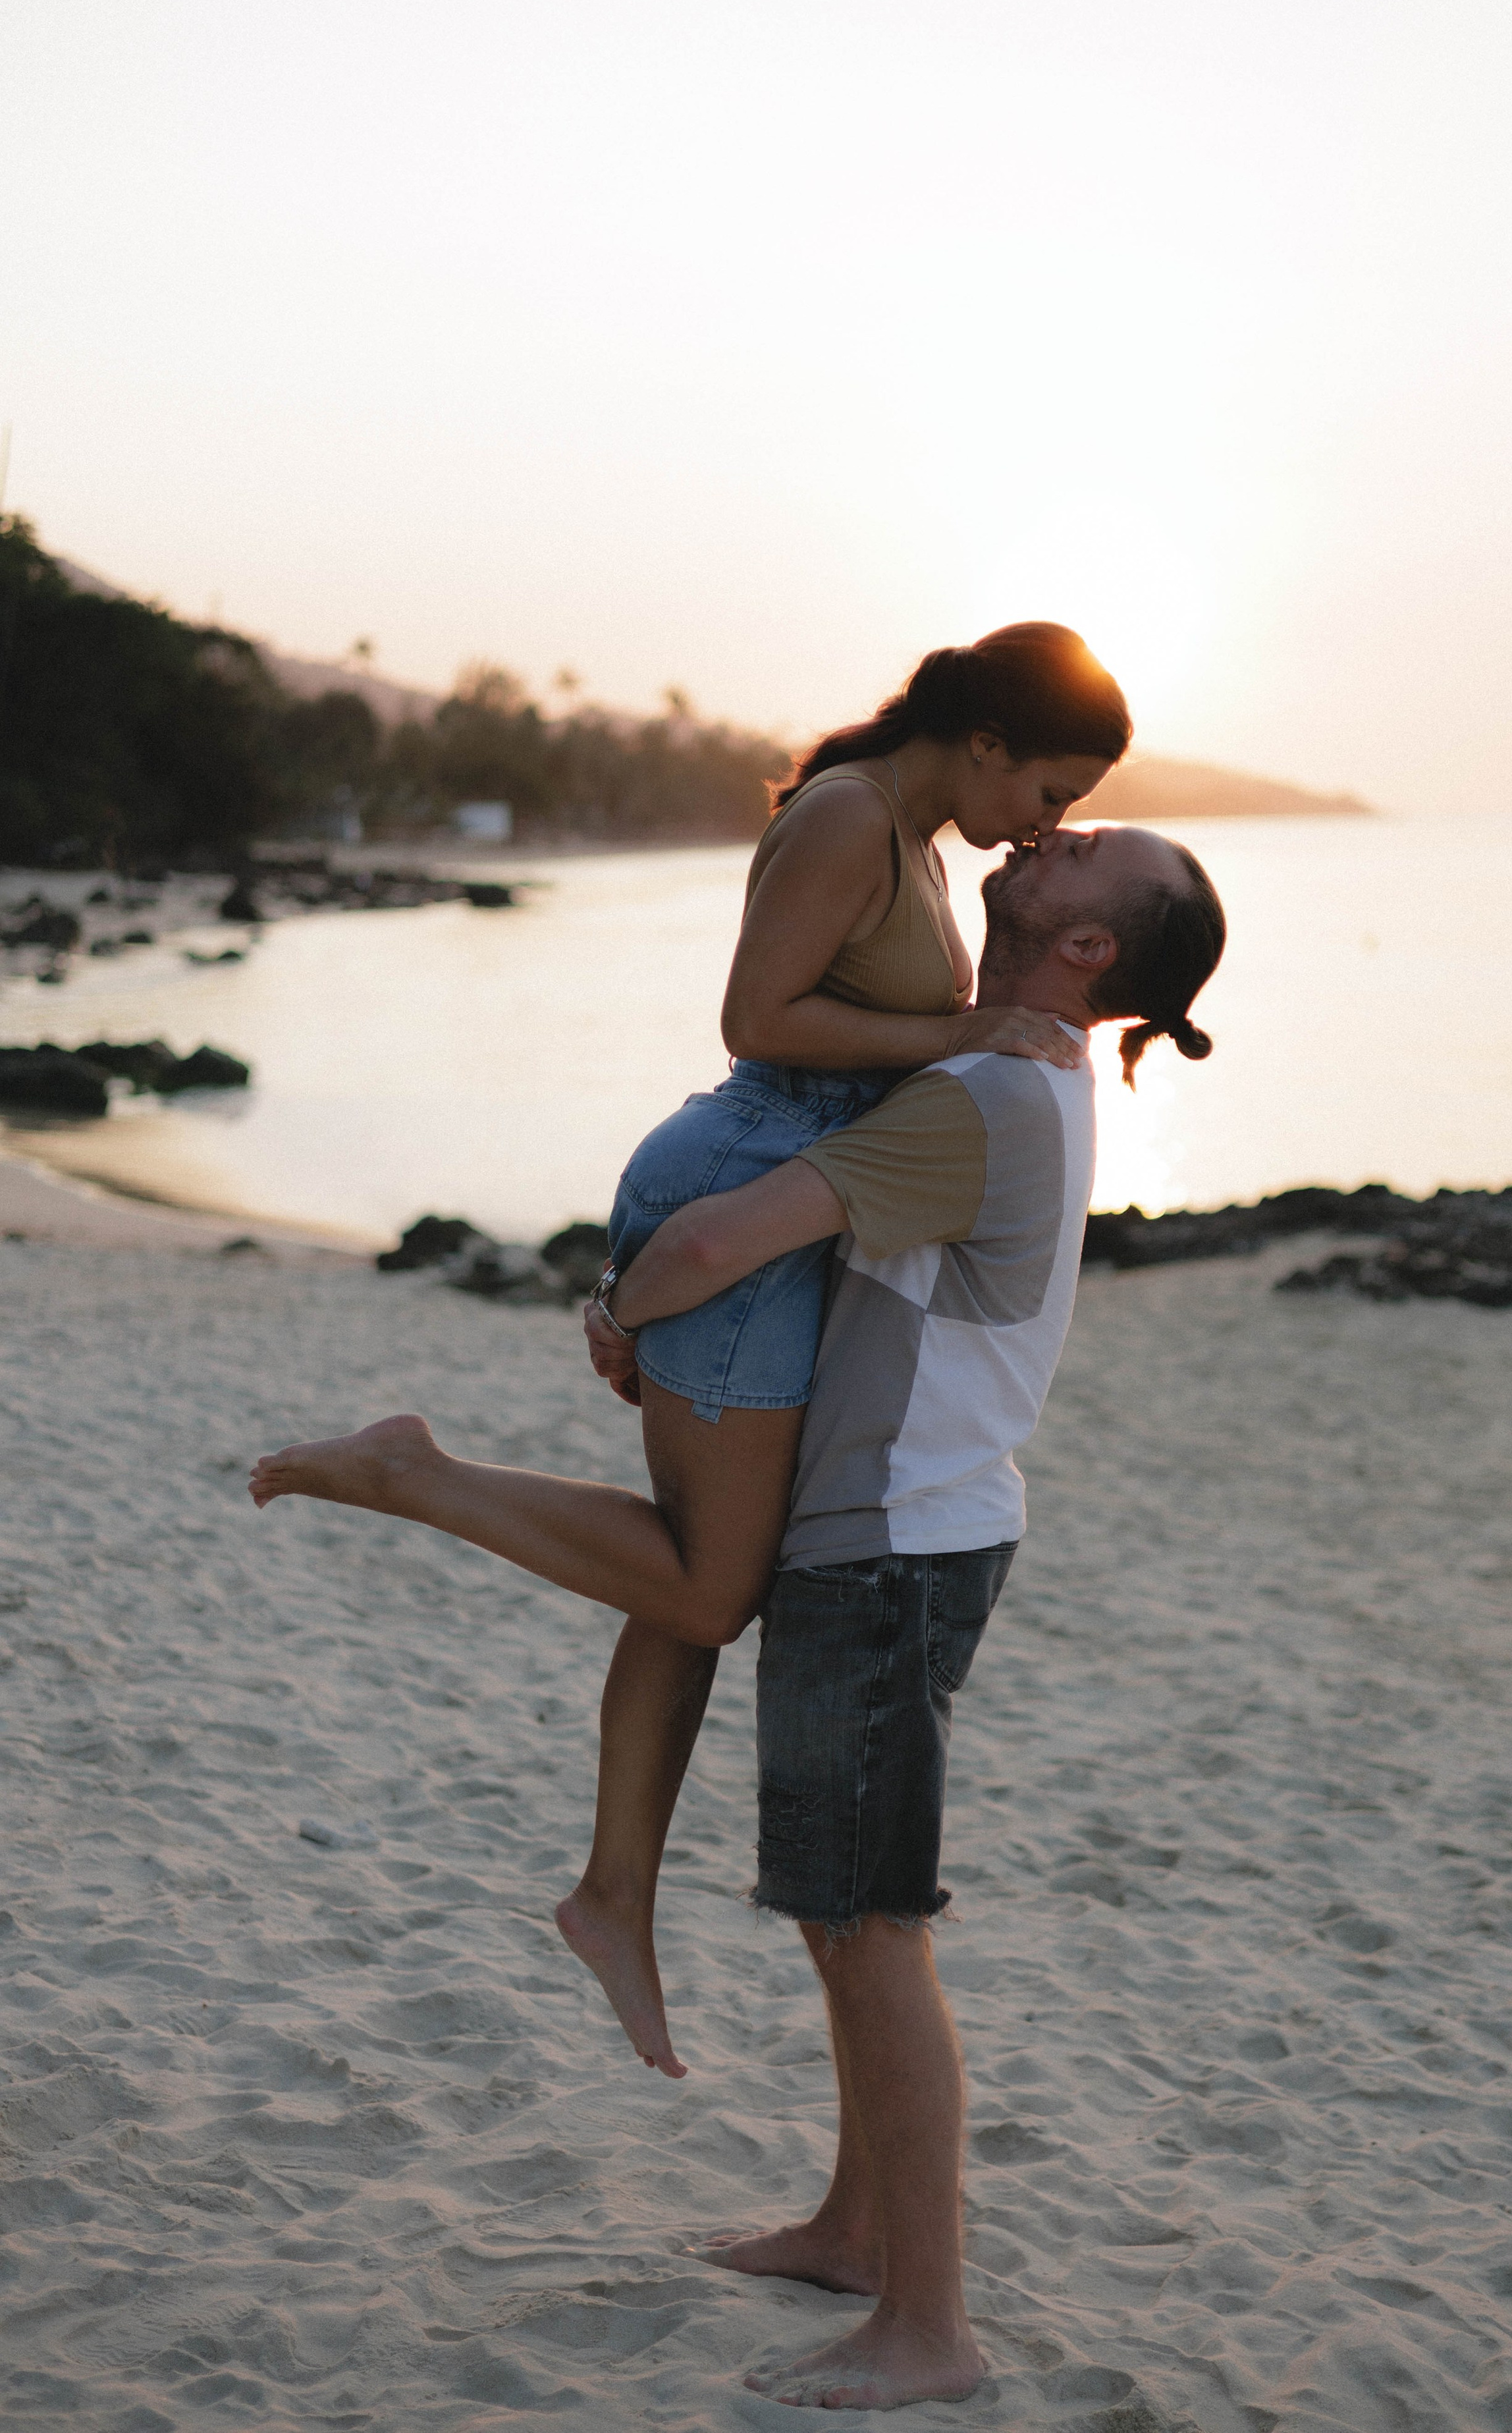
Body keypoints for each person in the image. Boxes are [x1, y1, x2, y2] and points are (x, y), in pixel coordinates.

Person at [250, 821, 1227, 2411]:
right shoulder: (1010, 1073)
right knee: (846, 1924)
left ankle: (931, 2327)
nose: (1046, 839)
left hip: (889, 1548)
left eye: (1082, 850)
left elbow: (721, 1241)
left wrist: (619, 1314)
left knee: (870, 1931)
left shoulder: (983, 1097)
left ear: (1089, 948)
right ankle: (854, 2233)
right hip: (903, 1532)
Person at [267, 623, 1130, 2084]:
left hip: (775, 1202)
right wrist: (970, 1024)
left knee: (688, 1567)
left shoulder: (910, 828)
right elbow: (755, 1016)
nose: (1049, 824)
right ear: (985, 744)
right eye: (1048, 789)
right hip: (742, 1183)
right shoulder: (853, 815)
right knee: (709, 1581)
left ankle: (614, 1894)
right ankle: (412, 1475)